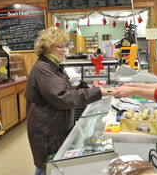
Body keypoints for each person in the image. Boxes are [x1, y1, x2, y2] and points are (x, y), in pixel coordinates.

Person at [24, 27, 109, 175]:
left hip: (53, 128)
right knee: (47, 168)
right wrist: (96, 92)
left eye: (65, 46)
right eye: (60, 46)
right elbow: (62, 98)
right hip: (48, 132)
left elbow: (59, 92)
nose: (65, 50)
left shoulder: (52, 66)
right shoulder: (43, 69)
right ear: (47, 47)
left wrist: (78, 88)